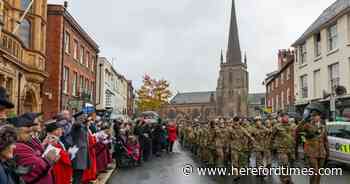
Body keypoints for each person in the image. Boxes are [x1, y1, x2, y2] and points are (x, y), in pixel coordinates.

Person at [8, 113, 59, 184]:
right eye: (27, 132)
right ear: (16, 133)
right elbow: (38, 166)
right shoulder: (18, 146)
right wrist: (50, 157)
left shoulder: (26, 141)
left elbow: (40, 155)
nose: (31, 134)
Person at [296, 103, 329, 184]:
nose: (315, 117)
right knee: (315, 172)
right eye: (313, 116)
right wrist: (303, 120)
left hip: (321, 153)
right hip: (311, 152)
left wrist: (328, 152)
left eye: (317, 115)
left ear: (320, 116)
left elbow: (325, 140)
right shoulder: (307, 125)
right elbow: (297, 130)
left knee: (319, 173)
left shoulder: (323, 126)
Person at [272, 112, 295, 184]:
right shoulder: (277, 126)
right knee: (284, 163)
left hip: (290, 149)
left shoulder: (291, 126)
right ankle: (284, 179)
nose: (286, 118)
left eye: (287, 117)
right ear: (281, 118)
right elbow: (272, 137)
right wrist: (273, 146)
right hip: (281, 149)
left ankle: (288, 178)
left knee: (290, 165)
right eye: (285, 117)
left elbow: (293, 137)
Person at [70, 111, 90, 184]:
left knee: (80, 174)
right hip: (78, 153)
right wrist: (80, 120)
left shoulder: (82, 126)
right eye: (83, 116)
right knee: (77, 174)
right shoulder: (76, 125)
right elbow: (76, 124)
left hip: (82, 153)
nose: (85, 117)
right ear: (79, 117)